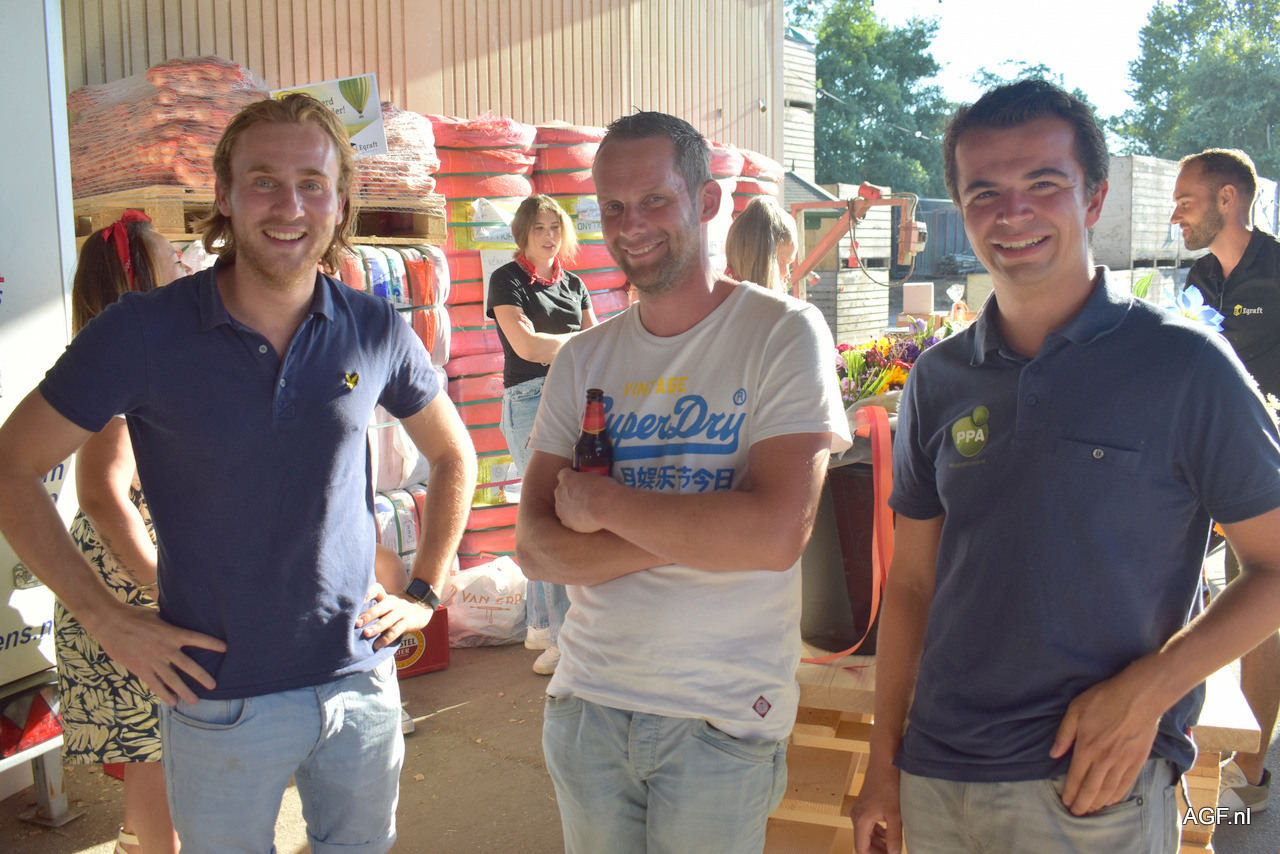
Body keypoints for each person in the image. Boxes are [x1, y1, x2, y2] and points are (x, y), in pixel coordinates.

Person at [0, 93, 476, 854]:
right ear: (223, 194)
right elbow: (11, 468)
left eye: (312, 184)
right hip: (217, 697)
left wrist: (424, 590)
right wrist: (106, 618)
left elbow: (454, 455)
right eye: (264, 181)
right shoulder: (143, 331)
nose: (290, 206)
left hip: (360, 680)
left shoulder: (373, 327)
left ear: (340, 201)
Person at [850, 79, 1280, 854]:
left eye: (1043, 183)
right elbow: (911, 585)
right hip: (938, 778)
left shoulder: (1186, 366)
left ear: (1094, 198)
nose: (1012, 212)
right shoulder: (939, 379)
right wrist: (884, 762)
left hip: (1093, 788)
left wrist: (1150, 690)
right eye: (984, 192)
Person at [515, 110, 852, 854]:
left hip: (720, 720)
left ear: (706, 201)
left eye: (654, 200)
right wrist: (710, 528)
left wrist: (606, 505)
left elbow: (775, 536)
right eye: (612, 206)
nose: (630, 225)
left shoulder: (783, 333)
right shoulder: (583, 359)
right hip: (589, 706)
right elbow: (535, 548)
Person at [56, 210, 188, 854]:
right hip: (129, 585)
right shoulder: (122, 369)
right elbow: (103, 494)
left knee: (157, 750)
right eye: (169, 255)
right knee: (156, 747)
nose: (183, 262)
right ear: (139, 280)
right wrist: (161, 584)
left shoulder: (132, 359)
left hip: (131, 578)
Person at [1174, 147, 1280, 813]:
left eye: (1186, 201)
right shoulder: (1198, 277)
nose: (1175, 216)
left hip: (1267, 469)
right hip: (1201, 460)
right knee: (1191, 596)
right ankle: (1186, 749)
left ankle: (1250, 774)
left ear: (1227, 199)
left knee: (1259, 606)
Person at [486, 194, 598, 675]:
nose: (549, 236)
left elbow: (597, 345)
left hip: (572, 397)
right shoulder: (506, 279)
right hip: (530, 400)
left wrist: (564, 345)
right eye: (539, 228)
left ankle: (538, 626)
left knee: (549, 511)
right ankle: (562, 640)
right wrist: (576, 344)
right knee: (548, 513)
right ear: (522, 234)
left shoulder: (575, 284)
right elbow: (527, 346)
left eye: (555, 227)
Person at [724, 194, 798, 292]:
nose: (787, 274)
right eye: (786, 262)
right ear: (765, 261)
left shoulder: (725, 292)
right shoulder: (758, 300)